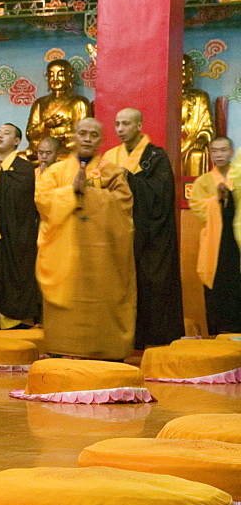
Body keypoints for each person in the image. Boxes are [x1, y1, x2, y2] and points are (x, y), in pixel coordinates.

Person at [36, 118, 136, 360]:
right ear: (74, 136)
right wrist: (70, 191)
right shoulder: (56, 172)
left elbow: (124, 204)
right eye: (83, 133)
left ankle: (105, 351)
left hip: (103, 255)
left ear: (101, 140)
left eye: (93, 134)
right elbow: (42, 200)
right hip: (63, 250)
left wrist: (88, 193)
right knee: (67, 299)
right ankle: (62, 348)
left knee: (103, 300)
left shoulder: (112, 172)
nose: (88, 138)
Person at [101, 108, 185, 348]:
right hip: (120, 234)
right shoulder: (110, 156)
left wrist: (130, 178)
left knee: (151, 284)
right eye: (117, 124)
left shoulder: (155, 157)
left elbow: (162, 194)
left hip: (151, 238)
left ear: (139, 126)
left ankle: (155, 339)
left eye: (126, 124)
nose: (120, 129)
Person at [0, 124, 41, 329]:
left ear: (17, 142)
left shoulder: (24, 168)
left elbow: (21, 198)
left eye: (6, 133)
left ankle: (16, 322)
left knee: (15, 278)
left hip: (17, 235)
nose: (0, 135)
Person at [191, 137, 241, 335]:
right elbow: (197, 208)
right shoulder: (203, 181)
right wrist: (216, 199)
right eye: (214, 151)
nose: (219, 155)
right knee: (217, 296)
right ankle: (218, 341)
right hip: (215, 246)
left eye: (223, 150)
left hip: (236, 243)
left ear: (231, 153)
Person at [24, 59, 93, 157]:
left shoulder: (79, 102)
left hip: (67, 146)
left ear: (70, 76)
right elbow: (29, 134)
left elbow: (85, 133)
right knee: (27, 154)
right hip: (44, 147)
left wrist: (62, 136)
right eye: (51, 75)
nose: (55, 79)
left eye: (60, 75)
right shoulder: (40, 103)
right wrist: (45, 125)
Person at [180, 54, 215, 176]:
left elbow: (208, 127)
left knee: (197, 154)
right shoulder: (165, 97)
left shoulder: (200, 97)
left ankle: (193, 191)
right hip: (174, 143)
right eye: (181, 70)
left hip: (192, 143)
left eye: (188, 70)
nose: (184, 74)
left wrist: (202, 138)